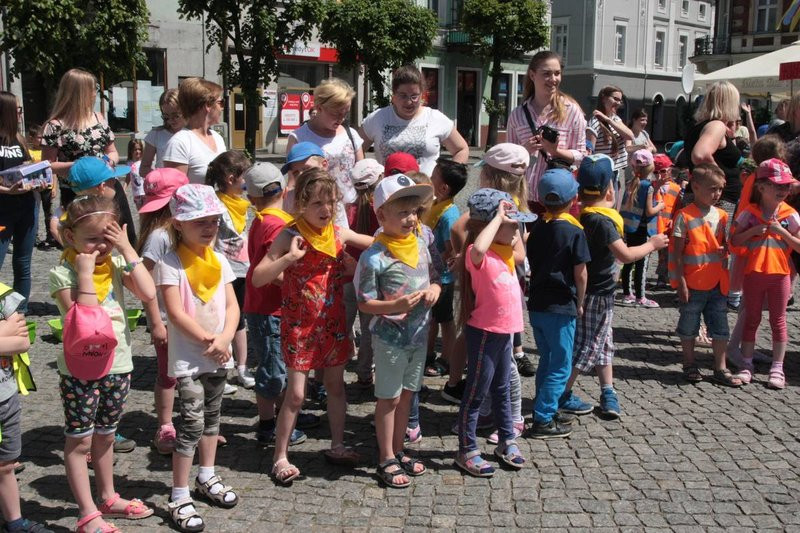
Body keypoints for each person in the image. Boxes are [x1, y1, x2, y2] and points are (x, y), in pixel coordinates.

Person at [251, 168, 372, 484]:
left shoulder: (337, 233)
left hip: (332, 324)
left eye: (330, 202)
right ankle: (280, 455)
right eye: (318, 203)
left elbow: (377, 244)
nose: (326, 210)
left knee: (335, 385)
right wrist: (288, 260)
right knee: (296, 394)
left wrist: (402, 237)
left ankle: (338, 444)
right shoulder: (290, 235)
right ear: (301, 204)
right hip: (300, 327)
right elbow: (259, 276)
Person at [49, 195, 156, 533]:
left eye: (106, 239)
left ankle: (108, 497)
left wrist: (127, 249)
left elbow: (149, 293)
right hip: (80, 369)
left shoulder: (116, 262)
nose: (100, 247)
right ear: (70, 238)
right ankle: (87, 513)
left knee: (106, 437)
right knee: (80, 442)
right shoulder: (61, 272)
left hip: (118, 364)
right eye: (92, 239)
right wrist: (83, 274)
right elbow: (81, 318)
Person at [156, 184, 240, 532]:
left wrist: (225, 338)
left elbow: (234, 306)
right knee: (190, 425)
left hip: (217, 356)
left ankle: (206, 475)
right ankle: (178, 494)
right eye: (199, 222)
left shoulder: (219, 260)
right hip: (191, 359)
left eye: (213, 221)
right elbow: (175, 314)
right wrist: (211, 340)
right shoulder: (169, 264)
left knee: (212, 419)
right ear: (178, 223)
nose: (209, 228)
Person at [559, 154, 668, 419]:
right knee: (588, 346)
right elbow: (625, 255)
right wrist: (652, 245)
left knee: (604, 345)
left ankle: (608, 391)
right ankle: (561, 394)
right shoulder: (603, 221)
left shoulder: (583, 215)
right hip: (597, 294)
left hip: (598, 292)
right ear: (610, 189)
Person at [353, 174, 439, 488]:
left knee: (407, 396)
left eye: (414, 211)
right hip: (389, 340)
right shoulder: (374, 256)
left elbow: (433, 278)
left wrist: (433, 290)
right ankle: (385, 456)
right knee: (388, 399)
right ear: (381, 215)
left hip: (418, 337)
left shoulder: (420, 246)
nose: (410, 218)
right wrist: (395, 305)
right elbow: (364, 304)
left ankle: (399, 449)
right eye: (402, 212)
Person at [454, 188, 534, 478]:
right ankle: (466, 450)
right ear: (492, 226)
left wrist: (506, 220)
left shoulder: (506, 253)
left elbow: (519, 248)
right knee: (475, 392)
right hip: (485, 333)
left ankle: (506, 441)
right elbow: (476, 247)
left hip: (505, 333)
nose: (517, 229)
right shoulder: (479, 257)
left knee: (502, 389)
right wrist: (498, 218)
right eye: (512, 223)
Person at [243, 163, 319, 447]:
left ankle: (287, 413)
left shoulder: (264, 219)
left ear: (251, 198)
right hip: (268, 308)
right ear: (285, 188)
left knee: (280, 364)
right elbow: (272, 271)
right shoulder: (276, 225)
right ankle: (267, 425)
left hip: (267, 307)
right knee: (272, 368)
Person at [526, 168, 590, 438]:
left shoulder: (537, 227)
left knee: (546, 360)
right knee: (560, 365)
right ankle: (542, 419)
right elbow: (581, 274)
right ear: (574, 198)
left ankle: (547, 408)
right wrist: (580, 301)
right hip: (560, 306)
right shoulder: (574, 231)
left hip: (537, 304)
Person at [729, 158, 800, 390]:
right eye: (777, 185)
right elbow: (734, 241)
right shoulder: (749, 214)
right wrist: (752, 231)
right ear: (761, 187)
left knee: (778, 320)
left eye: (786, 185)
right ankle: (746, 364)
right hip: (754, 273)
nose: (783, 190)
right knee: (752, 319)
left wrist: (783, 232)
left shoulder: (791, 215)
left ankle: (777, 367)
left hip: (780, 274)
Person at [668, 164, 741, 386]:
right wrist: (679, 280)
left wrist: (725, 250)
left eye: (720, 189)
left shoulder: (721, 215)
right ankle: (689, 363)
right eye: (712, 189)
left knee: (720, 326)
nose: (717, 194)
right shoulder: (685, 216)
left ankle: (720, 367)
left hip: (717, 282)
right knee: (689, 324)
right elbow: (677, 252)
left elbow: (724, 245)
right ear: (696, 187)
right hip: (693, 282)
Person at [134, 168, 189, 454]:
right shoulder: (159, 236)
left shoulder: (191, 228)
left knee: (193, 374)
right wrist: (156, 321)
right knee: (168, 375)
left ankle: (194, 424)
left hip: (192, 317)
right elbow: (144, 282)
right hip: (168, 318)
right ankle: (165, 425)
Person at [0, 283, 53, 533]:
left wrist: (8, 332)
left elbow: (22, 342)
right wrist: (4, 331)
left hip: (5, 398)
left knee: (6, 464)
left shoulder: (2, 295)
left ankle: (15, 523)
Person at [506, 51, 587, 214]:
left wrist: (555, 151)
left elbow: (582, 156)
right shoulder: (518, 115)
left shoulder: (572, 111)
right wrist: (525, 150)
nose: (554, 79)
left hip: (561, 200)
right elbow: (508, 161)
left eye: (557, 73)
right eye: (547, 74)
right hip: (527, 200)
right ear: (532, 75)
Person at [359, 65, 469, 176]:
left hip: (426, 190)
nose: (409, 102)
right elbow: (355, 149)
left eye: (414, 96)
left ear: (422, 95)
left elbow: (461, 149)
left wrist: (449, 180)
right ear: (394, 95)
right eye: (403, 96)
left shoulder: (435, 118)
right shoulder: (377, 118)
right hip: (388, 191)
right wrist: (367, 180)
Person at [205, 151, 255, 391]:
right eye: (246, 176)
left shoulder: (244, 203)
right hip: (222, 270)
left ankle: (242, 368)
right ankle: (222, 368)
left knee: (240, 320)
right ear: (231, 178)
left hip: (243, 269)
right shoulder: (216, 204)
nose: (249, 181)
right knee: (222, 320)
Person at [287, 78, 364, 229]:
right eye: (336, 113)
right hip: (318, 214)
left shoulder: (351, 134)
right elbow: (293, 182)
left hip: (353, 210)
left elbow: (362, 173)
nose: (341, 118)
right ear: (319, 107)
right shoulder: (299, 137)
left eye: (345, 113)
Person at [41, 69, 120, 210]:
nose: (95, 93)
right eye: (93, 89)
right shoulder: (54, 126)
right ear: (80, 93)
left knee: (118, 230)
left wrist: (107, 163)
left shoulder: (99, 118)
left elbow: (113, 151)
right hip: (77, 191)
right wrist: (83, 166)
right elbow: (47, 165)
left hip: (106, 185)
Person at [423, 159, 467, 379]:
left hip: (443, 279)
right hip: (430, 276)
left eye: (432, 177)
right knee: (431, 318)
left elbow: (451, 249)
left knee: (445, 320)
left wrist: (432, 263)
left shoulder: (449, 214)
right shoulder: (435, 205)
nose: (429, 179)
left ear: (443, 188)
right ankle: (428, 353)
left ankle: (446, 359)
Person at [346, 159, 384, 389]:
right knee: (369, 329)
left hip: (347, 275)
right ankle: (364, 372)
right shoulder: (380, 210)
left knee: (342, 325)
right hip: (372, 276)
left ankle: (330, 371)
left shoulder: (349, 207)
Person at [683, 81, 742, 223]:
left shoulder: (701, 126)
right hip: (717, 201)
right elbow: (700, 155)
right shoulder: (717, 125)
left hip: (706, 197)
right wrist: (720, 180)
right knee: (712, 243)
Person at [0, 92, 36, 314]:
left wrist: (38, 180)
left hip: (26, 209)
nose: (20, 114)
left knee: (23, 265)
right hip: (2, 212)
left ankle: (19, 312)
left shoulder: (19, 139)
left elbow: (28, 168)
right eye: (17, 110)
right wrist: (6, 190)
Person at [619, 149, 664, 308]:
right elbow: (650, 211)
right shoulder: (647, 186)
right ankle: (641, 297)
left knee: (628, 262)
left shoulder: (631, 182)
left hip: (631, 228)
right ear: (651, 167)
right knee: (641, 264)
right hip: (644, 229)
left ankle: (626, 294)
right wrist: (660, 205)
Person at [163, 78, 227, 184]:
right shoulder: (180, 143)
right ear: (208, 105)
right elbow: (176, 193)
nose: (222, 108)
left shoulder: (217, 138)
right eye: (221, 103)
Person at [587, 86, 635, 210]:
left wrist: (608, 119)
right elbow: (590, 152)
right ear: (604, 99)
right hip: (603, 174)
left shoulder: (615, 119)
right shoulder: (595, 122)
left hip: (617, 172)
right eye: (615, 99)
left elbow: (630, 135)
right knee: (605, 209)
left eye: (620, 100)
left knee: (614, 210)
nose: (618, 103)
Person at [141, 88, 185, 178]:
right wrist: (160, 176)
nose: (171, 120)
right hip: (164, 188)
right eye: (166, 117)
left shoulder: (192, 133)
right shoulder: (156, 134)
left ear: (185, 110)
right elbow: (143, 169)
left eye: (175, 115)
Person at [653, 154, 682, 288]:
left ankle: (665, 277)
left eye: (664, 171)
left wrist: (674, 220)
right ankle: (662, 277)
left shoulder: (676, 188)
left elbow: (678, 207)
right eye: (657, 172)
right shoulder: (652, 187)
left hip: (669, 225)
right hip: (656, 225)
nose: (661, 175)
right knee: (662, 253)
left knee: (669, 252)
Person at [624, 109, 656, 184]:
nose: (645, 123)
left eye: (646, 120)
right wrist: (640, 147)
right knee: (631, 194)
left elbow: (654, 149)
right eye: (642, 120)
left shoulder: (644, 133)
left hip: (646, 172)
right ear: (634, 120)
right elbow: (627, 148)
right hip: (632, 171)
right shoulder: (629, 133)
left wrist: (649, 149)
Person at [126, 139, 145, 209]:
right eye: (135, 149)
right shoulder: (129, 164)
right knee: (140, 212)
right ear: (130, 151)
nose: (137, 151)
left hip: (145, 192)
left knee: (147, 212)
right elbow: (128, 177)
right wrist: (124, 188)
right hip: (136, 193)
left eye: (139, 149)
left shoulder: (144, 162)